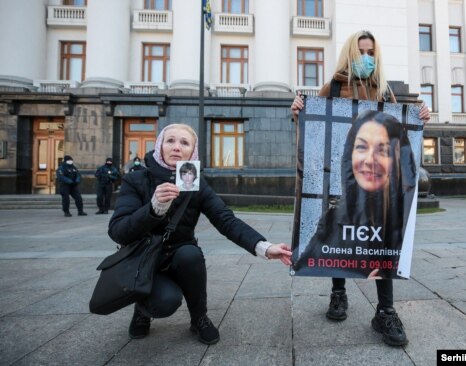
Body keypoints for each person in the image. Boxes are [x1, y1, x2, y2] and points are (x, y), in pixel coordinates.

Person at [290, 30, 430, 347]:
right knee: (341, 225)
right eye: (360, 51)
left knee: (382, 238)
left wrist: (420, 116)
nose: (366, 57)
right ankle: (338, 292)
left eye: (370, 52)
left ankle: (386, 310)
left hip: (380, 184)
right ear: (350, 54)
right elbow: (314, 120)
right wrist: (298, 109)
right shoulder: (335, 86)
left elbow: (400, 126)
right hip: (347, 173)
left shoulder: (382, 90)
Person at [108, 123, 292, 345]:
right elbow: (118, 231)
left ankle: (199, 318)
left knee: (190, 254)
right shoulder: (136, 180)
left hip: (179, 255)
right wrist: (153, 208)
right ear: (160, 146)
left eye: (184, 143)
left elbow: (226, 220)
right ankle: (142, 311)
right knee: (164, 303)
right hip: (145, 258)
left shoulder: (194, 182)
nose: (176, 147)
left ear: (193, 151)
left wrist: (264, 247)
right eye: (170, 141)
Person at [293, 111, 417, 279]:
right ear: (349, 155)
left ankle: (386, 305)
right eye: (361, 147)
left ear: (397, 161)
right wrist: (298, 115)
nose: (369, 160)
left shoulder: (404, 220)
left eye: (383, 151)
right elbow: (305, 264)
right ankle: (338, 295)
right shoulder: (332, 218)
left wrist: (420, 119)